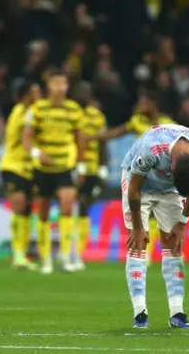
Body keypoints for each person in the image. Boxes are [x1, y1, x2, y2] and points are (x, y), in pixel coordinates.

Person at [122, 123, 189, 328]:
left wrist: (182, 222)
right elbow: (133, 190)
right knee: (138, 242)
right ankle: (140, 313)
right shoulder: (150, 150)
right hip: (140, 183)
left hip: (170, 190)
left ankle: (177, 313)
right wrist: (138, 227)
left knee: (173, 242)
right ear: (171, 167)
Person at [97, 92, 175, 267]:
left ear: (153, 105)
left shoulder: (168, 124)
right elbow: (117, 132)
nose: (140, 107)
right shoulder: (137, 121)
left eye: (144, 103)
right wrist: (95, 137)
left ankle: (168, 250)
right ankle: (144, 251)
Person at [22, 70, 85, 274]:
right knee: (43, 212)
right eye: (55, 83)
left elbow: (80, 138)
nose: (59, 87)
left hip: (64, 167)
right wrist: (35, 152)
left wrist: (81, 164)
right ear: (48, 86)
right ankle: (46, 258)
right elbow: (26, 137)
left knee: (67, 207)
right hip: (43, 168)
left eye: (63, 83)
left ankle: (65, 256)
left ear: (67, 86)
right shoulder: (37, 109)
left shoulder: (74, 110)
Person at [0, 81, 42, 270]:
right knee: (20, 205)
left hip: (29, 168)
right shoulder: (22, 112)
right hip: (13, 166)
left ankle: (22, 254)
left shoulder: (31, 112)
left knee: (26, 210)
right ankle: (17, 254)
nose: (40, 94)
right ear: (27, 96)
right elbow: (26, 138)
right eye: (36, 91)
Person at [73, 82, 108, 271]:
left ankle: (77, 253)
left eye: (85, 92)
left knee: (84, 207)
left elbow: (102, 143)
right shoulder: (70, 113)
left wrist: (103, 169)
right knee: (70, 206)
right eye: (80, 92)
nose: (83, 95)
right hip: (71, 166)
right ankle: (66, 251)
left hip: (92, 168)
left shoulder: (97, 116)